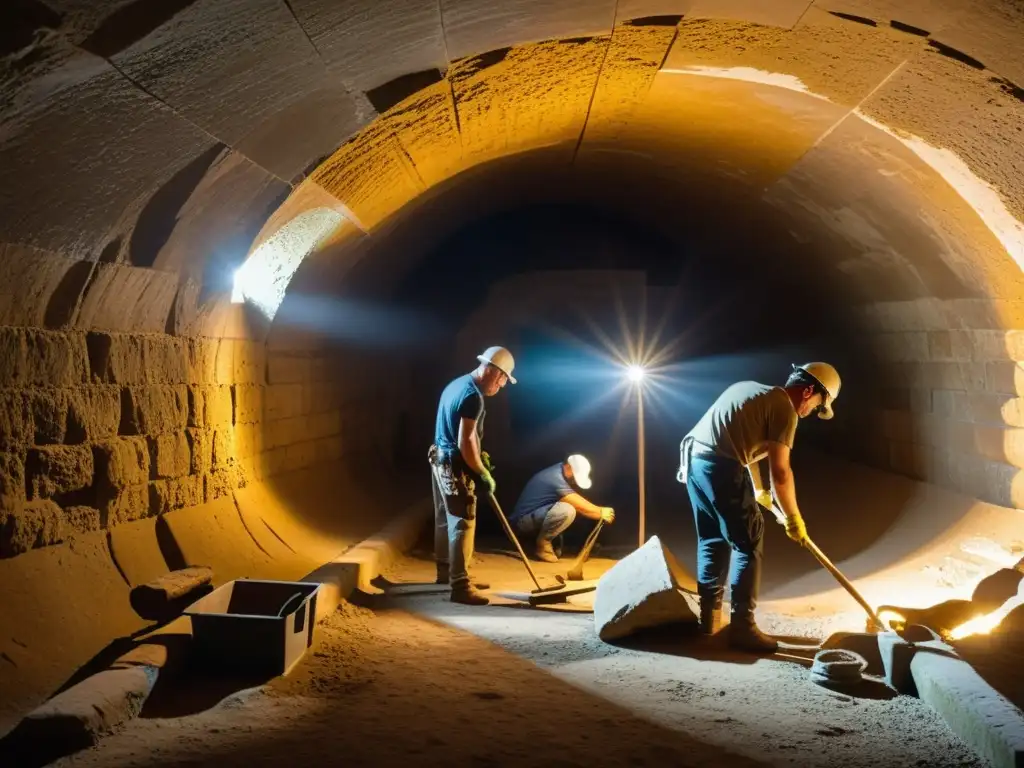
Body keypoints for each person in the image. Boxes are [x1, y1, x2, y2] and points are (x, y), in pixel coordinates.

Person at [677, 362, 841, 652]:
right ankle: (743, 628)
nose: (813, 412)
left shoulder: (753, 391)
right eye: (817, 405)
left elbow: (747, 446)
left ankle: (708, 619)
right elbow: (781, 471)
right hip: (720, 465)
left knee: (712, 538)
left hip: (694, 460)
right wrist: (794, 518)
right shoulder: (785, 410)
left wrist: (759, 490)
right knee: (747, 542)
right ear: (807, 391)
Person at [429, 346, 516, 605]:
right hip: (453, 464)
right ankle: (460, 585)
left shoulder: (457, 384)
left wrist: (481, 454)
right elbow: (465, 438)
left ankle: (446, 572)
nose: (502, 386)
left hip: (437, 456)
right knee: (463, 522)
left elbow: (468, 436)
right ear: (492, 371)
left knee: (444, 518)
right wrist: (480, 472)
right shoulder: (473, 397)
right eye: (502, 379)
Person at [510, 455, 615, 563]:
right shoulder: (554, 478)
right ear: (568, 467)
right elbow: (579, 505)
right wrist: (600, 511)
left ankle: (544, 543)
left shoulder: (559, 471)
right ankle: (543, 545)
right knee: (567, 510)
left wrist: (598, 512)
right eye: (574, 477)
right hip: (520, 522)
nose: (574, 481)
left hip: (534, 516)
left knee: (572, 511)